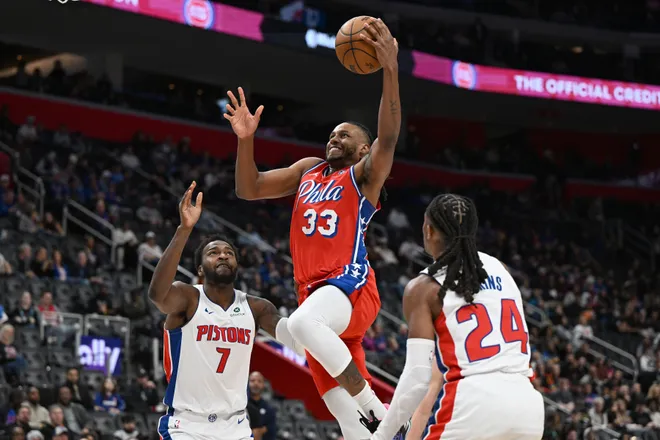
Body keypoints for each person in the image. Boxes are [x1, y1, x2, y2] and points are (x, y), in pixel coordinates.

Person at [227, 17, 402, 440]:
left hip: (350, 287)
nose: (333, 138)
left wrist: (390, 70)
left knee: (300, 328)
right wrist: (245, 139)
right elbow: (248, 188)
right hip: (316, 299)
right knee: (346, 423)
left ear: (363, 149)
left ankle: (380, 410)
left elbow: (389, 137)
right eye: (331, 134)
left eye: (344, 135)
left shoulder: (363, 176)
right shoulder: (308, 170)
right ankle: (372, 423)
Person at [368, 194, 545, 440]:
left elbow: (417, 377)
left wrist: (380, 436)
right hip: (528, 408)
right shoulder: (501, 269)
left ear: (427, 230)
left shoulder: (423, 288)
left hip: (473, 404)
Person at [148, 182, 305, 440]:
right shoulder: (187, 297)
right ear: (200, 269)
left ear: (236, 265)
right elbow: (157, 295)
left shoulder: (256, 308)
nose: (222, 256)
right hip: (188, 425)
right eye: (213, 253)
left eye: (228, 253)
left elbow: (295, 338)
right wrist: (184, 230)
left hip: (236, 427)